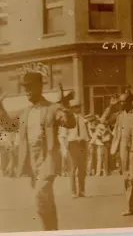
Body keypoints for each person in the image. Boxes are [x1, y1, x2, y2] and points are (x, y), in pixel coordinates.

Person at [0, 72, 76, 231]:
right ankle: (51, 231)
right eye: (25, 88)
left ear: (40, 87)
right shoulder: (25, 113)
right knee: (46, 201)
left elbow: (69, 123)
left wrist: (66, 107)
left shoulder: (53, 108)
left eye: (30, 88)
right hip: (32, 162)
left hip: (48, 159)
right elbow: (9, 126)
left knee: (39, 196)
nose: (27, 91)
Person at [102, 92, 133, 216]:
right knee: (127, 178)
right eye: (120, 102)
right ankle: (132, 208)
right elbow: (103, 120)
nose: (121, 104)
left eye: (124, 101)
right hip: (123, 149)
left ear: (130, 102)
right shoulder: (119, 115)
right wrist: (110, 106)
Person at [58, 100, 90, 198]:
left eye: (79, 106)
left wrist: (87, 147)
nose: (78, 108)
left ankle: (81, 191)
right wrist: (64, 149)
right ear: (71, 108)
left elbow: (85, 134)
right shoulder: (67, 119)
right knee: (72, 169)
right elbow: (62, 136)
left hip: (82, 145)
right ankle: (73, 192)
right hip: (72, 145)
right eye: (76, 107)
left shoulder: (82, 119)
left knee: (82, 169)